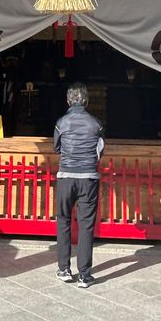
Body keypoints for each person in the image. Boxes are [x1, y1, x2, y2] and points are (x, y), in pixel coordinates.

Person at [53, 82, 104, 288]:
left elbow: (57, 147)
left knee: (63, 220)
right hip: (89, 177)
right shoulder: (96, 124)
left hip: (66, 176)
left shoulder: (61, 123)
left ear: (68, 101)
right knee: (86, 225)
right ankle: (84, 275)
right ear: (87, 101)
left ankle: (64, 269)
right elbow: (101, 149)